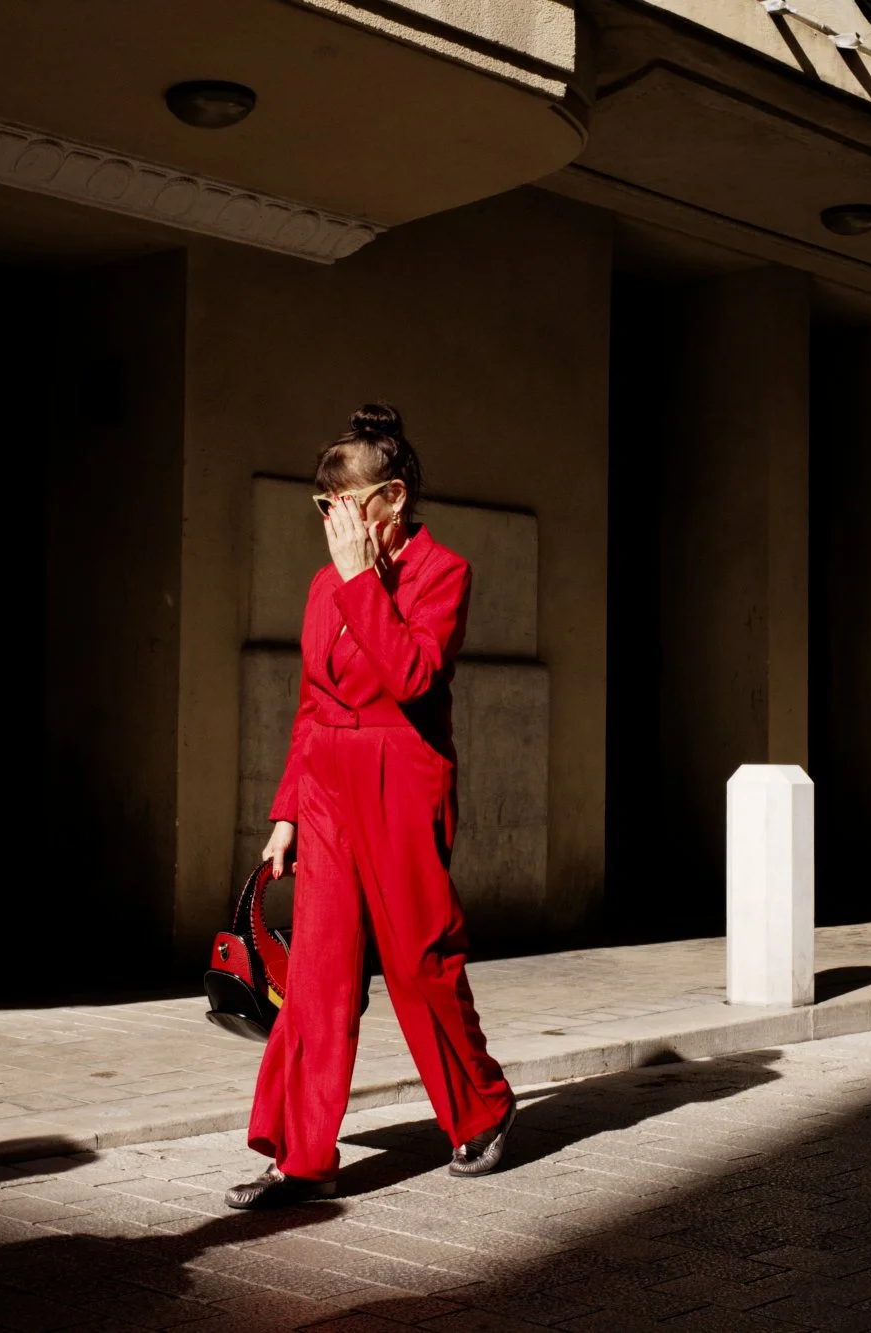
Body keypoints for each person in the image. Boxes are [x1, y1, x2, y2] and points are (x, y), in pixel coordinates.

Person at [225, 403, 517, 1210]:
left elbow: (414, 674)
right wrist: (285, 811)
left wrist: (363, 582)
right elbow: (311, 701)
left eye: (340, 503)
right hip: (325, 785)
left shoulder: (442, 573)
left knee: (421, 958)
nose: (328, 520)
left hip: (401, 777)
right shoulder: (323, 586)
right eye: (320, 505)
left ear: (389, 498)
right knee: (316, 977)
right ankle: (299, 1156)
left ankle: (482, 1110)